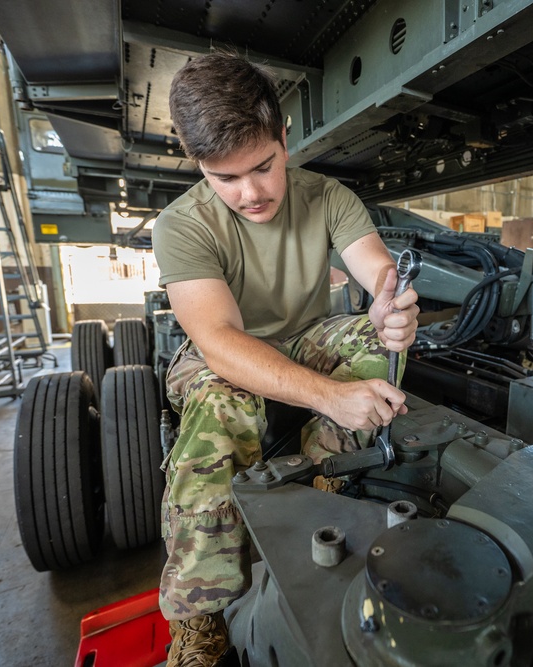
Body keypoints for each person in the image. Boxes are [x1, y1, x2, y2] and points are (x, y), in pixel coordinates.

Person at [151, 49, 420, 666]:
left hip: (303, 338)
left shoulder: (329, 197)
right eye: (225, 178)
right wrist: (329, 396)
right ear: (199, 166)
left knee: (373, 342)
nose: (249, 192)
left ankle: (326, 475)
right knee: (220, 406)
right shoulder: (181, 225)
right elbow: (219, 340)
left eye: (263, 167)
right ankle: (200, 615)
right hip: (222, 353)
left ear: (283, 136)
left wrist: (389, 306)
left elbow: (377, 269)